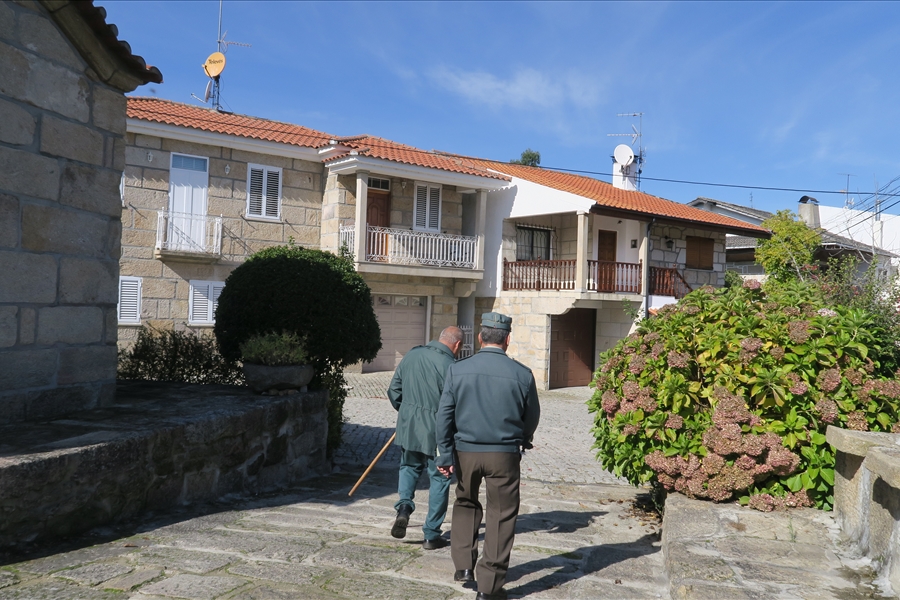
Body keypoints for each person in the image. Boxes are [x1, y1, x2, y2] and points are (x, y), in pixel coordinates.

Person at [435, 312, 540, 600]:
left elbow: (444, 416)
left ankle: (463, 566)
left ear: (481, 338)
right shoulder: (522, 374)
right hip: (503, 453)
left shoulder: (458, 370)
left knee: (465, 502)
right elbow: (531, 417)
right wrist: (523, 440)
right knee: (501, 514)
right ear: (507, 339)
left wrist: (445, 454)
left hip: (465, 451)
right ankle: (489, 585)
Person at [387, 326, 463, 550]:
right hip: (437, 432)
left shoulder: (412, 354)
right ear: (457, 345)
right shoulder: (452, 367)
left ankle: (404, 507)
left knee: (409, 467)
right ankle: (431, 534)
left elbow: (394, 390)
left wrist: (407, 413)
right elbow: (457, 406)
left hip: (409, 426)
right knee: (439, 478)